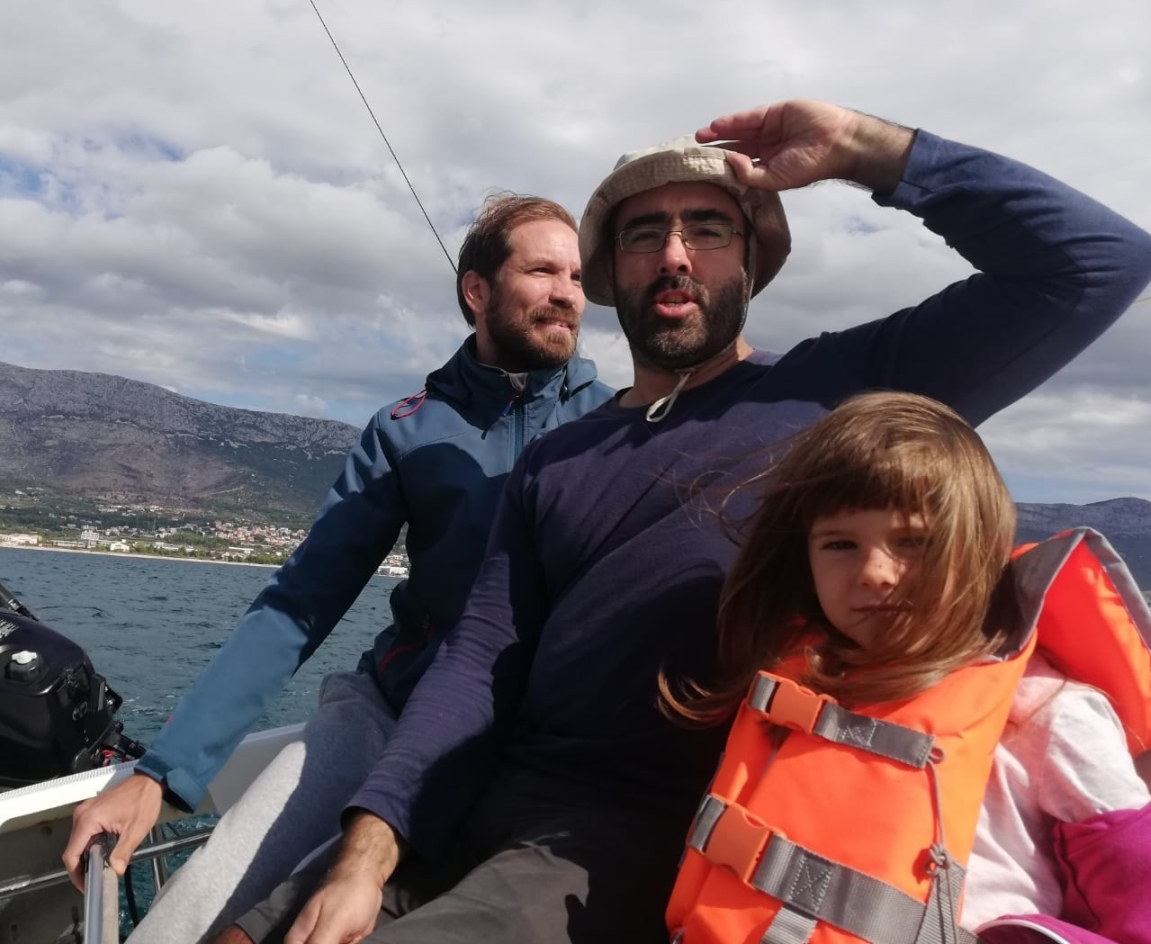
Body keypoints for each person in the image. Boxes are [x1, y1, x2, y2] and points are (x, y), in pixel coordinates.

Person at [224, 98, 1151, 944]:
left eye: (706, 230)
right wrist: (369, 850)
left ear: (750, 262)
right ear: (611, 274)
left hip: (621, 845)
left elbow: (1096, 262)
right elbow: (478, 659)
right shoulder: (559, 456)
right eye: (645, 235)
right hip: (471, 798)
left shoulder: (839, 396)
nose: (674, 254)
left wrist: (866, 150)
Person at [60, 193, 614, 942]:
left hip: (531, 740)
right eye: (542, 271)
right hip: (387, 708)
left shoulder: (617, 426)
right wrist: (161, 773)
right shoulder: (406, 431)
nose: (567, 293)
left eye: (577, 276)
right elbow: (300, 602)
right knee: (193, 910)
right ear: (477, 291)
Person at [660, 390, 1151, 942]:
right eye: (839, 544)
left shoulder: (1050, 712)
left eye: (913, 541)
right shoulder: (796, 686)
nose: (874, 572)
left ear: (979, 549)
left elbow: (1139, 900)